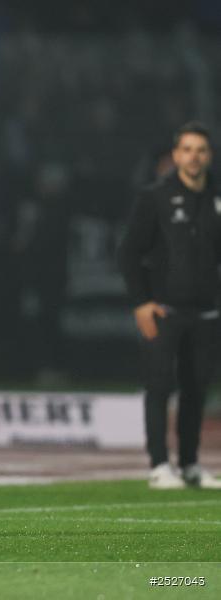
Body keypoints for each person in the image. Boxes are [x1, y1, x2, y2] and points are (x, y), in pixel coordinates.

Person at [117, 121, 221, 489]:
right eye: (187, 149)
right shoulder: (155, 197)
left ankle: (190, 463)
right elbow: (129, 253)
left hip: (206, 312)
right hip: (163, 311)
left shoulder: (216, 198)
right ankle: (159, 465)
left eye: (201, 150)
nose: (194, 156)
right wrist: (141, 302)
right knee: (160, 386)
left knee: (196, 390)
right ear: (176, 155)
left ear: (209, 156)